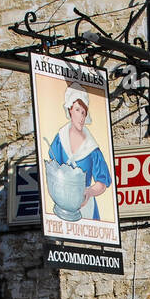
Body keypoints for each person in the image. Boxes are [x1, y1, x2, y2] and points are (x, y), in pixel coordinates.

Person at [47, 83, 112, 220]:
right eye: (77, 110)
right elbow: (53, 168)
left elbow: (102, 182)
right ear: (70, 110)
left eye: (83, 112)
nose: (81, 117)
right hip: (62, 203)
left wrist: (89, 192)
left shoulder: (92, 148)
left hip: (85, 206)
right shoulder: (60, 139)